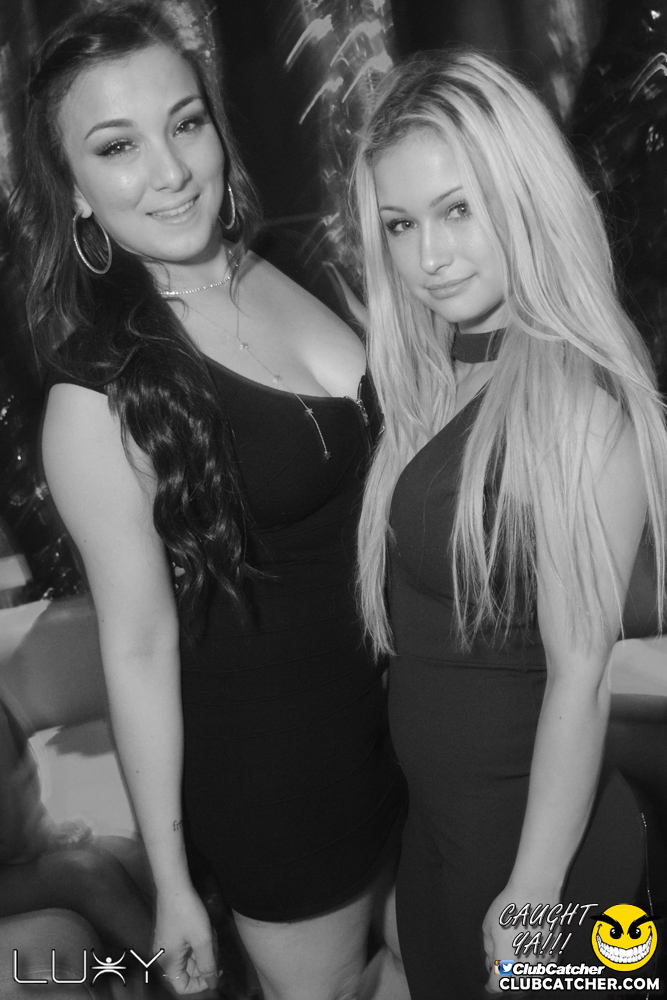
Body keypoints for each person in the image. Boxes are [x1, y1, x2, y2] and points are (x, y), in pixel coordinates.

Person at [10, 5, 407, 999]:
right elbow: (138, 650)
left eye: (185, 123)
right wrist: (176, 884)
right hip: (285, 790)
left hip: (410, 729)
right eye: (117, 146)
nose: (172, 170)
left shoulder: (288, 264)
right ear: (75, 190)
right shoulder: (98, 399)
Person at [352, 49, 667, 998]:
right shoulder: (444, 374)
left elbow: (580, 675)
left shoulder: (575, 402)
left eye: (459, 209)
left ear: (523, 197)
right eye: (400, 224)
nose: (428, 257)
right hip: (445, 836)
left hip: (539, 861)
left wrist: (530, 893)